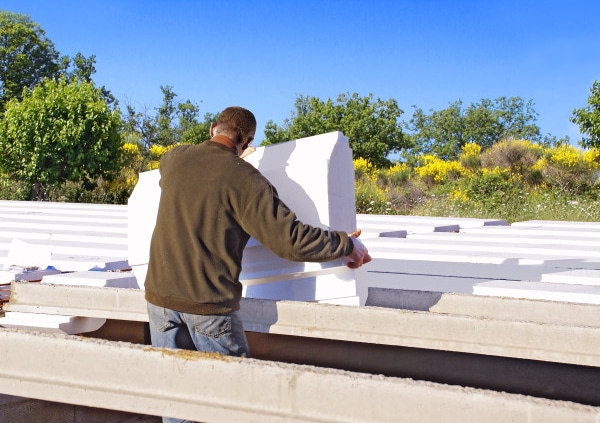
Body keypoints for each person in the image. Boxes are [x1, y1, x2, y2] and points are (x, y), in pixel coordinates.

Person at [144, 105, 371, 392]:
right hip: (208, 306)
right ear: (248, 141)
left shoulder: (175, 159)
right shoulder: (246, 180)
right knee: (237, 397)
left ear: (213, 127)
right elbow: (290, 240)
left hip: (159, 300)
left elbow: (188, 177)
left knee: (175, 393)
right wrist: (346, 244)